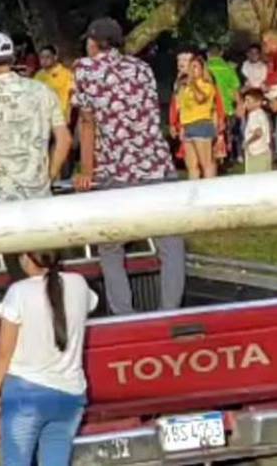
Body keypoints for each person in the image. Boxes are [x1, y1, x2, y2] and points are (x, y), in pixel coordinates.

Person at [72, 18, 182, 315]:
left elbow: (87, 122)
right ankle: (170, 310)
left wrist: (86, 170)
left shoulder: (86, 69)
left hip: (116, 168)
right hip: (157, 164)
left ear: (94, 42)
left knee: (110, 246)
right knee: (171, 243)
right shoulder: (142, 68)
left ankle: (124, 314)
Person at [0, 252, 98, 466]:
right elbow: (90, 305)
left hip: (25, 394)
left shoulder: (18, 292)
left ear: (26, 259)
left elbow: (3, 350)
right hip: (70, 394)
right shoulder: (79, 283)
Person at [0, 32, 71, 203]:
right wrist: (50, 176)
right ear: (12, 59)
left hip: (2, 196)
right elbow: (64, 139)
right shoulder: (43, 91)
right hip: (40, 194)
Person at [176, 53, 219, 179]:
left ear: (202, 70)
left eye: (195, 67)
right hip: (188, 125)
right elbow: (183, 108)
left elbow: (200, 98)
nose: (193, 70)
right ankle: (194, 190)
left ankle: (210, 190)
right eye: (191, 67)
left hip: (201, 124)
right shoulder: (186, 87)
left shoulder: (207, 85)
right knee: (192, 165)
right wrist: (182, 127)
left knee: (205, 162)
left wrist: (193, 83)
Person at [34, 45, 75, 124]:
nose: (44, 60)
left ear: (55, 57)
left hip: (61, 119)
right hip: (43, 119)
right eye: (42, 57)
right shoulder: (38, 75)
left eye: (47, 57)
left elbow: (72, 94)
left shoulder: (66, 74)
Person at [243, 89, 273, 173]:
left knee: (254, 182)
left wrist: (247, 143)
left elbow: (258, 132)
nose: (246, 103)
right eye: (245, 100)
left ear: (258, 102)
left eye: (248, 100)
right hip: (265, 151)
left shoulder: (253, 115)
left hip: (256, 153)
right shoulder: (262, 113)